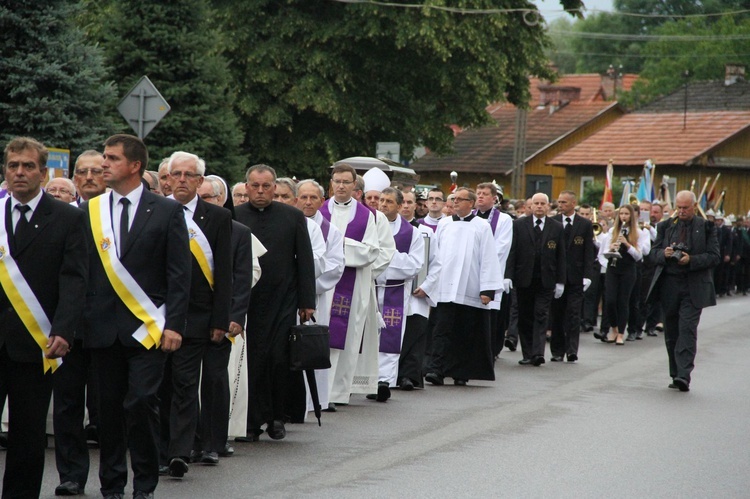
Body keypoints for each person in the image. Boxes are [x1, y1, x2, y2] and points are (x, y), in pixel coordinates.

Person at [80, 134, 191, 499]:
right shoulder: (91, 210)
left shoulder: (166, 210)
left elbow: (179, 273)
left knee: (141, 401)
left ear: (135, 166)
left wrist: (174, 324)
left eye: (111, 159)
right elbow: (82, 270)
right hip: (102, 328)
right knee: (108, 411)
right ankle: (112, 485)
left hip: (149, 328)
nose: (103, 165)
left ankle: (144, 483)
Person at [0, 137, 88, 499]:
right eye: (13, 166)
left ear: (43, 171)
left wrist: (65, 330)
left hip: (37, 343)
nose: (20, 172)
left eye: (28, 166)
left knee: (27, 434)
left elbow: (74, 278)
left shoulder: (68, 217)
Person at [159, 151, 232, 476]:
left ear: (200, 181)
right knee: (159, 387)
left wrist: (219, 320)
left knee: (186, 386)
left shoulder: (216, 219)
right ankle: (160, 449)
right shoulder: (154, 212)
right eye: (177, 174)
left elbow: (225, 274)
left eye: (189, 175)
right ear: (168, 178)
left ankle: (179, 452)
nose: (182, 180)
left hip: (197, 319)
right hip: (156, 317)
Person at [234, 165, 316, 440]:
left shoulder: (292, 216)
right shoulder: (234, 216)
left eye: (266, 186)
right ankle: (251, 420)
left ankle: (277, 417)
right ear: (246, 188)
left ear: (274, 187)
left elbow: (304, 260)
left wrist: (307, 302)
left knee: (279, 359)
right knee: (251, 360)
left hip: (283, 299)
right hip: (248, 301)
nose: (260, 191)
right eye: (254, 186)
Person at [52, 151, 109, 497]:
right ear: (74, 179)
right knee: (67, 404)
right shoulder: (60, 217)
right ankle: (71, 474)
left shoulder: (119, 217)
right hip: (68, 325)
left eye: (96, 171)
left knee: (107, 406)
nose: (89, 177)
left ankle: (112, 475)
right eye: (82, 172)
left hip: (108, 325)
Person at [420, 187, 502, 385]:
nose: (454, 202)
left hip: (469, 287)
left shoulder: (482, 226)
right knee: (441, 330)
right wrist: (428, 282)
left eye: (459, 199)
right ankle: (435, 369)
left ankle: (461, 372)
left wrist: (487, 289)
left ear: (471, 204)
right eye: (454, 199)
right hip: (445, 287)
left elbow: (489, 258)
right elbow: (435, 255)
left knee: (465, 333)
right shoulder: (445, 224)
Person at [198, 177, 255, 456]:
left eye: (209, 197)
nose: (204, 202)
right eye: (201, 197)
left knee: (214, 379)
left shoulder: (239, 232)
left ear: (221, 200)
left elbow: (242, 278)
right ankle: (187, 442)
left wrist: (236, 316)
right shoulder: (182, 226)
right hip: (188, 318)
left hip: (221, 319)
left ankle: (213, 443)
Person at [648, 191, 719, 392]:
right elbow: (652, 254)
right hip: (669, 284)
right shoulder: (665, 227)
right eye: (678, 207)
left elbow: (714, 256)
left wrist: (691, 260)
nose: (681, 211)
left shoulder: (706, 227)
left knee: (687, 328)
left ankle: (684, 375)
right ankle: (675, 371)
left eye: (685, 208)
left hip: (693, 285)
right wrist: (664, 253)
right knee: (671, 331)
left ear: (694, 207)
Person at [323, 164, 381, 405]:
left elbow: (371, 251)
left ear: (355, 186)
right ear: (332, 183)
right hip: (323, 285)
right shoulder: (319, 209)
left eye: (346, 182)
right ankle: (317, 391)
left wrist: (338, 245)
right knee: (320, 335)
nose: (341, 186)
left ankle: (337, 393)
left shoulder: (366, 215)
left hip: (352, 285)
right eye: (337, 181)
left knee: (347, 337)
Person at [296, 179, 345, 412]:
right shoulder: (288, 222)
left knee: (311, 347)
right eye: (303, 197)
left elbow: (335, 266)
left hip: (317, 297)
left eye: (313, 197)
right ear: (296, 199)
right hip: (287, 296)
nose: (307, 202)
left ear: (322, 201)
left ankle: (313, 401)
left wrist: (306, 286)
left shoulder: (330, 231)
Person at [370, 187, 423, 401]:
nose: (382, 205)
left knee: (390, 338)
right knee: (368, 336)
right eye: (381, 200)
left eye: (389, 202)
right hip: (369, 288)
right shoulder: (369, 226)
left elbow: (415, 265)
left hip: (395, 292)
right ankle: (364, 379)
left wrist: (385, 258)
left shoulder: (412, 233)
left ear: (400, 206)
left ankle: (383, 380)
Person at [505, 193, 566, 366]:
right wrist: (508, 276)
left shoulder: (557, 227)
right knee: (524, 316)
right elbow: (513, 252)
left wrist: (561, 280)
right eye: (536, 203)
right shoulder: (518, 225)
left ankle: (538, 353)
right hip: (523, 278)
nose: (539, 206)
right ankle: (527, 353)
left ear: (548, 206)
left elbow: (561, 255)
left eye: (542, 203)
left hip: (546, 279)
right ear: (530, 206)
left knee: (541, 314)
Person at [550, 191, 595, 362]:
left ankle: (571, 350)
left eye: (564, 202)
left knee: (574, 314)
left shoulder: (584, 224)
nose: (560, 205)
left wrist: (587, 275)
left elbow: (588, 251)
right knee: (557, 314)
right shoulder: (553, 222)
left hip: (576, 276)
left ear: (573, 203)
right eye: (559, 201)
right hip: (557, 277)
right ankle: (557, 351)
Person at [474, 182, 512, 358]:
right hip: (470, 274)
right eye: (478, 193)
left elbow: (501, 248)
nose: (480, 196)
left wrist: (478, 262)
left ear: (494, 198)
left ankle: (489, 352)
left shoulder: (503, 220)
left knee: (489, 317)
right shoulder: (469, 216)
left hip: (490, 273)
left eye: (484, 193)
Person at [598, 204, 645, 345]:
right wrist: (611, 248)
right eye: (621, 214)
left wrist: (627, 244)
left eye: (626, 214)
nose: (624, 217)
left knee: (623, 301)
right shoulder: (613, 231)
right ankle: (613, 328)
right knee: (610, 301)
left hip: (628, 269)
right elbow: (602, 253)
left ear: (631, 216)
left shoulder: (638, 232)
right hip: (613, 269)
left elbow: (639, 256)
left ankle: (620, 333)